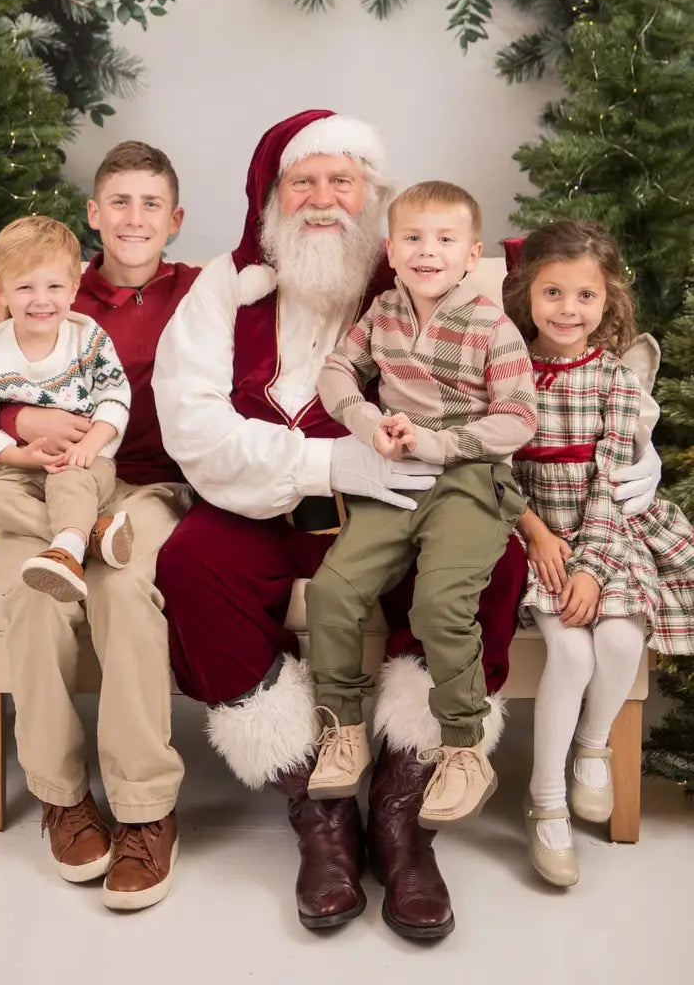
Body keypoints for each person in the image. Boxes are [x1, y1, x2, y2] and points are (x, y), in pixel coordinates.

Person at [153, 110, 662, 940]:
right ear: (271, 199)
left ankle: (403, 811)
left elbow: (565, 334)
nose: (323, 200)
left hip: (412, 496)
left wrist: (642, 453)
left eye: (342, 181)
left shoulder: (430, 264)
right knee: (191, 565)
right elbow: (192, 428)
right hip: (262, 501)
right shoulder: (224, 286)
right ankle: (317, 811)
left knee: (488, 564)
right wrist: (332, 464)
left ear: (374, 202)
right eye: (302, 182)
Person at [0, 141, 197, 910]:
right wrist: (29, 417)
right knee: (34, 594)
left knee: (120, 593)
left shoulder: (202, 293)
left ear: (175, 219)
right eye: (118, 201)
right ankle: (62, 797)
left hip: (146, 490)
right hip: (43, 482)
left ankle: (147, 812)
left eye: (150, 203)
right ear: (93, 214)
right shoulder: (54, 288)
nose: (133, 217)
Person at [306, 181, 536, 828]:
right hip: (395, 475)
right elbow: (334, 371)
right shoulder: (381, 311)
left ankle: (463, 748)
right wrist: (365, 421)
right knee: (332, 593)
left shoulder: (492, 324)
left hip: (467, 478)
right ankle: (342, 726)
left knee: (437, 604)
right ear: (391, 248)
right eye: (412, 238)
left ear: (470, 254)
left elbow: (518, 418)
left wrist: (438, 442)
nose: (426, 251)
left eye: (443, 239)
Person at [502, 219, 694, 888]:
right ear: (526, 293)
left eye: (583, 297)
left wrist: (590, 563)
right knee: (569, 648)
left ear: (606, 302)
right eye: (552, 293)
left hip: (607, 528)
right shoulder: (508, 371)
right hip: (535, 533)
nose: (566, 310)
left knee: (616, 642)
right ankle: (545, 803)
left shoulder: (614, 379)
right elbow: (490, 469)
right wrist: (536, 534)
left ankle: (592, 747)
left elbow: (613, 483)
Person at [0, 216, 134, 604]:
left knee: (70, 484)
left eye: (54, 286)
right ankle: (83, 540)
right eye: (25, 288)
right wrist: (19, 455)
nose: (41, 299)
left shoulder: (87, 338)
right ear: (1, 293)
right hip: (21, 468)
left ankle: (67, 546)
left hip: (83, 461)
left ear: (73, 289)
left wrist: (92, 444)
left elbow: (115, 395)